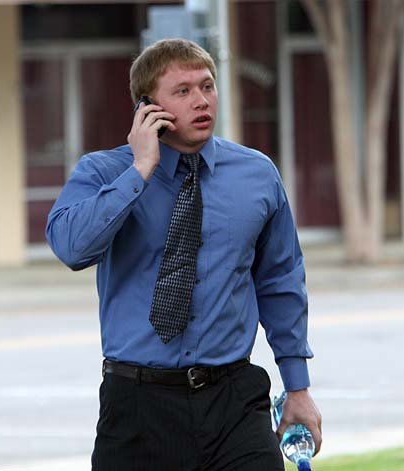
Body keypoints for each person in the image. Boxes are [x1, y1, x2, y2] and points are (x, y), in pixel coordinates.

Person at [46, 38, 322, 471]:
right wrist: (140, 170)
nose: (202, 101)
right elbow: (72, 247)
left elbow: (280, 281)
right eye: (183, 91)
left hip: (234, 401)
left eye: (207, 86)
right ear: (146, 108)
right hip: (137, 405)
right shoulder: (103, 172)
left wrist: (298, 387)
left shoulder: (256, 174)